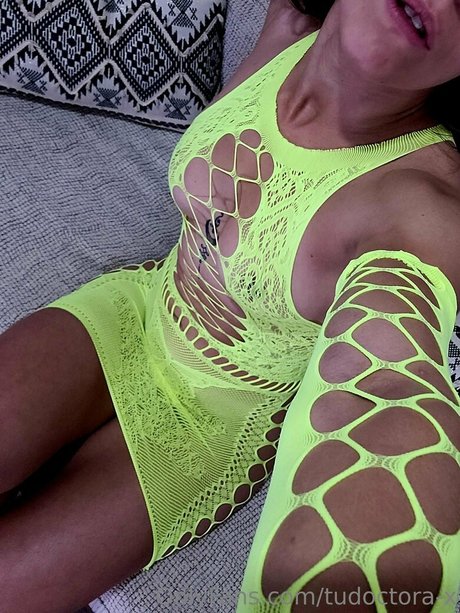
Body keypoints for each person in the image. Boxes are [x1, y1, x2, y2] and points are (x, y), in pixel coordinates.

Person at [0, 0, 459, 611]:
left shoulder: (425, 207)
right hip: (136, 308)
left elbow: (388, 389)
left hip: (212, 425)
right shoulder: (288, 25)